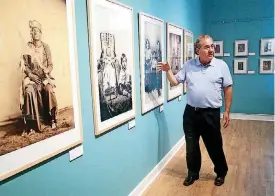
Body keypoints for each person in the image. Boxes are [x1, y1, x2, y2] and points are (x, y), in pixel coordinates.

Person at [157, 34, 233, 186]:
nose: (211, 50)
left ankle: (221, 172)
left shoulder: (221, 66)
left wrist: (227, 111)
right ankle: (193, 173)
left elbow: (228, 88)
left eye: (212, 46)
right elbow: (174, 82)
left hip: (211, 114)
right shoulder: (189, 65)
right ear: (198, 50)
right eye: (207, 47)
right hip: (191, 113)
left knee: (214, 146)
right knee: (191, 146)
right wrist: (168, 70)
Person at [19, 20, 58, 134]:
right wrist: (31, 75)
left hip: (44, 78)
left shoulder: (46, 47)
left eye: (37, 31)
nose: (35, 33)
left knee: (49, 90)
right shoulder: (27, 47)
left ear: (41, 33)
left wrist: (47, 70)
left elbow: (50, 65)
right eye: (33, 31)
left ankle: (52, 118)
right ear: (31, 33)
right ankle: (32, 124)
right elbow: (25, 66)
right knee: (29, 91)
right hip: (32, 78)